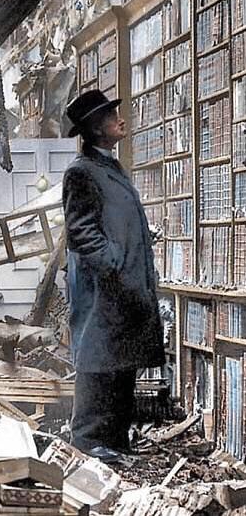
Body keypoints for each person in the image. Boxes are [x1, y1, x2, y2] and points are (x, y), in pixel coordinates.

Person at [62, 90, 165, 463]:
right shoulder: (80, 172)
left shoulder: (108, 166)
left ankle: (116, 442)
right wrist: (114, 266)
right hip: (103, 291)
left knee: (121, 363)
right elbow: (82, 233)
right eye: (111, 116)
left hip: (123, 286)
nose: (120, 119)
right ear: (95, 128)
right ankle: (88, 443)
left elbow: (112, 220)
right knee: (97, 364)